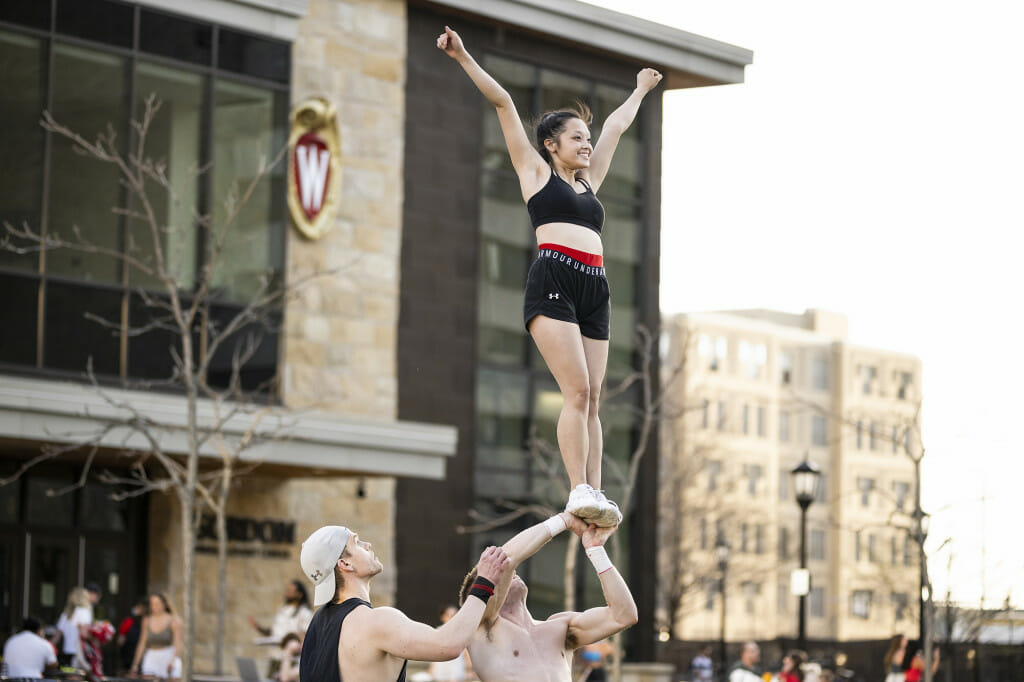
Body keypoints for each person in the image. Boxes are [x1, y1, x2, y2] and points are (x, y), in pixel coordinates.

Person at [437, 26, 663, 527]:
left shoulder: (590, 182)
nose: (586, 145)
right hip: (555, 277)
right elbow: (502, 104)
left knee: (596, 396)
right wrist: (462, 54)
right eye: (575, 138)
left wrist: (641, 90)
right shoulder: (534, 175)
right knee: (577, 391)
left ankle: (597, 493)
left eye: (585, 138)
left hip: (594, 286)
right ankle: (577, 487)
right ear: (550, 144)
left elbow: (615, 131)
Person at [298, 524, 510, 682]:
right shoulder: (376, 621)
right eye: (357, 542)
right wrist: (485, 582)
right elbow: (448, 644)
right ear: (344, 563)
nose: (367, 544)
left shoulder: (317, 625)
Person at [457, 512, 638, 682]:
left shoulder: (560, 626)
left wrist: (596, 550)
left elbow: (623, 616)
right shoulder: (482, 627)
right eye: (494, 575)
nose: (507, 573)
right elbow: (508, 557)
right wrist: (564, 519)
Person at [129, 593, 183, 681]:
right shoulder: (146, 620)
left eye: (158, 603)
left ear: (164, 604)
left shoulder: (174, 621)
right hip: (151, 655)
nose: (155, 606)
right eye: (152, 604)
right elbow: (142, 643)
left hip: (168, 655)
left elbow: (178, 643)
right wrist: (135, 664)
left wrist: (173, 660)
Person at [248, 579, 314, 642]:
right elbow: (275, 632)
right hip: (277, 651)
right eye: (287, 590)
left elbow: (306, 635)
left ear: (300, 594)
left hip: (294, 651)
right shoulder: (282, 610)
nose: (288, 593)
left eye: (291, 591)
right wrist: (258, 627)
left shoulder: (305, 613)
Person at [428, 605, 475, 682]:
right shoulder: (437, 631)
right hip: (440, 668)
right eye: (449, 615)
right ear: (443, 617)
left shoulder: (462, 633)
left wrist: (468, 669)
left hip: (456, 667)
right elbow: (434, 652)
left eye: (455, 615)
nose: (452, 618)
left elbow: (466, 652)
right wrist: (431, 669)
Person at [55, 586, 93, 668]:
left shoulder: (65, 614)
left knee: (69, 675)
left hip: (66, 652)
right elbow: (84, 634)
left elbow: (56, 638)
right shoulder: (84, 612)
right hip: (79, 653)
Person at [117, 597, 147, 675]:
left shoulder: (147, 622)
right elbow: (121, 640)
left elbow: (120, 641)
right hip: (129, 656)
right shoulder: (129, 622)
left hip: (141, 657)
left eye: (139, 607)